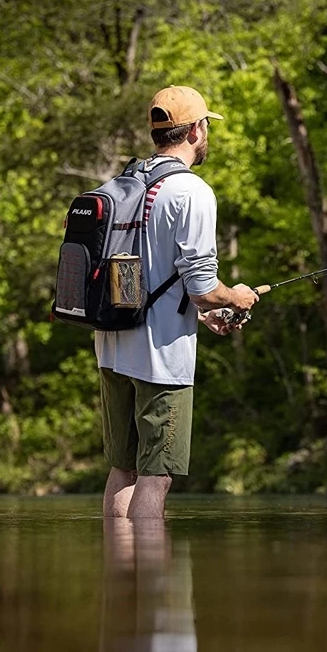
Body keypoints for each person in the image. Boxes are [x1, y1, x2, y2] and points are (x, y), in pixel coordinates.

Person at [97, 86, 259, 519]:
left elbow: (139, 275)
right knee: (158, 473)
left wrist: (202, 313)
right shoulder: (192, 192)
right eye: (206, 126)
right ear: (196, 131)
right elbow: (203, 286)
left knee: (123, 468)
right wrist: (236, 297)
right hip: (161, 358)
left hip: (112, 348)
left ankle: (119, 575)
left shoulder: (121, 185)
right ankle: (152, 581)